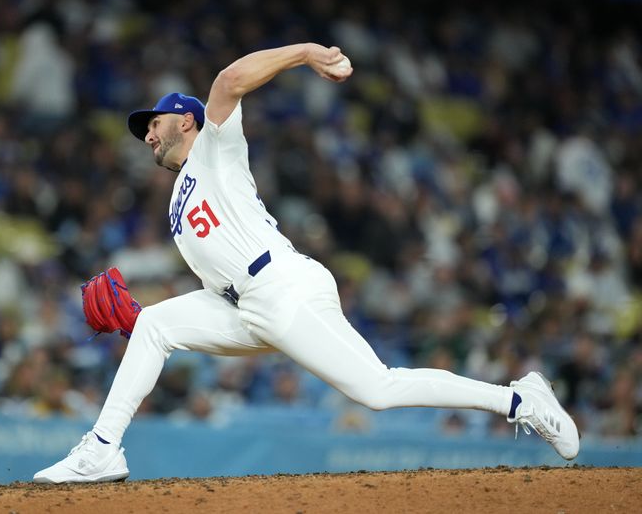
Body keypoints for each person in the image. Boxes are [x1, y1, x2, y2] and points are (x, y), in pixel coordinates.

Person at [33, 43, 579, 484]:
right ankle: (101, 451)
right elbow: (213, 278)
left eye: (154, 122)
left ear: (186, 120)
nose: (147, 133)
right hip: (244, 304)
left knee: (378, 390)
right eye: (144, 130)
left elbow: (227, 81)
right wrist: (153, 324)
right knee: (152, 325)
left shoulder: (214, 150)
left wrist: (309, 52)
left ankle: (520, 399)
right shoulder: (179, 195)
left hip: (281, 287)